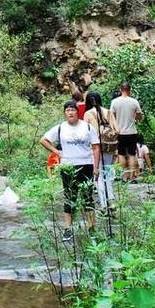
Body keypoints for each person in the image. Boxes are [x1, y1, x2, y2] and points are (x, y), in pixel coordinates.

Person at [40, 101, 100, 241]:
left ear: (77, 112)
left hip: (86, 164)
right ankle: (68, 228)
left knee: (88, 197)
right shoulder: (60, 128)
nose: (70, 112)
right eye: (68, 110)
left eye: (73, 110)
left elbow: (96, 147)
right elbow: (43, 140)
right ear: (64, 113)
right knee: (69, 197)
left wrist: (96, 167)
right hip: (68, 166)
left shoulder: (87, 127)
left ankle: (91, 228)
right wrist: (57, 152)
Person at [84, 91, 117, 211]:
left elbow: (86, 133)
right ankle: (111, 201)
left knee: (98, 175)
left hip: (95, 148)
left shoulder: (88, 114)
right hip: (108, 147)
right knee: (107, 173)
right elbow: (117, 130)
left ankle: (104, 204)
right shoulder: (108, 112)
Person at [109, 81, 143, 181]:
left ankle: (125, 175)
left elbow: (112, 116)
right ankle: (132, 176)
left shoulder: (114, 102)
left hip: (120, 132)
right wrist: (133, 117)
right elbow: (139, 116)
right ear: (130, 90)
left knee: (121, 154)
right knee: (132, 154)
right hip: (132, 131)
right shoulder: (134, 101)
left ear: (120, 90)